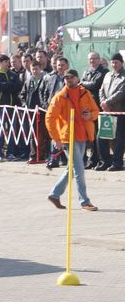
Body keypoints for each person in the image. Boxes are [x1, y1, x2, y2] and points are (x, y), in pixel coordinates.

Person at [45, 69, 99, 211]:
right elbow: (50, 118)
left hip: (83, 136)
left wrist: (90, 116)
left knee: (73, 168)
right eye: (66, 78)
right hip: (69, 137)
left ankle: (54, 194)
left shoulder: (85, 93)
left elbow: (96, 111)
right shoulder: (60, 97)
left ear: (77, 78)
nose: (68, 80)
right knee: (79, 170)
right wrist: (55, 138)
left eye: (71, 77)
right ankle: (84, 201)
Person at [96, 52, 125, 171]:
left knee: (118, 139)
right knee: (101, 137)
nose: (114, 65)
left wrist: (107, 102)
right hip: (106, 113)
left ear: (122, 63)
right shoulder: (107, 75)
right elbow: (101, 90)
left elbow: (121, 93)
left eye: (116, 62)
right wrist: (103, 103)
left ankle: (117, 163)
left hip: (119, 113)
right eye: (112, 62)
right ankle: (105, 161)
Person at [20, 62, 48, 164]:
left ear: (40, 69)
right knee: (33, 134)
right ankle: (33, 155)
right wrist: (24, 105)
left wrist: (44, 106)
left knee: (45, 134)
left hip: (43, 111)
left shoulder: (46, 79)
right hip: (31, 112)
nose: (35, 71)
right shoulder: (28, 81)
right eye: (33, 69)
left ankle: (46, 155)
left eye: (36, 69)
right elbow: (22, 95)